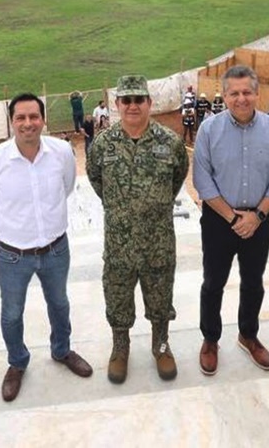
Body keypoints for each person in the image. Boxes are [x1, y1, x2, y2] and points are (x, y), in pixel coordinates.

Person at [0, 93, 93, 402]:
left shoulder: (62, 152)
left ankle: (62, 350)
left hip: (55, 249)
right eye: (21, 118)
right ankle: (17, 362)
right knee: (12, 313)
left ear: (43, 119)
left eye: (33, 117)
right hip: (13, 255)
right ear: (12, 122)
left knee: (60, 304)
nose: (28, 123)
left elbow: (66, 187)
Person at [87, 75, 189, 384]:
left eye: (138, 100)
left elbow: (177, 180)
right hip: (119, 243)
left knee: (160, 298)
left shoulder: (169, 142)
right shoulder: (103, 144)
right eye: (126, 100)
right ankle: (121, 346)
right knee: (117, 297)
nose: (132, 106)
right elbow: (96, 180)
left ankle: (161, 344)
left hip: (157, 241)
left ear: (149, 103)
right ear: (116, 104)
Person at [193, 65, 269, 375]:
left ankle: (248, 335)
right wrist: (234, 218)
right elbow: (203, 181)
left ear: (257, 94)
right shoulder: (208, 129)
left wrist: (258, 215)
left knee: (253, 282)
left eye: (247, 92)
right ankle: (210, 338)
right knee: (213, 283)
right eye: (234, 93)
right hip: (220, 219)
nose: (241, 98)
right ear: (224, 95)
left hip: (259, 219)